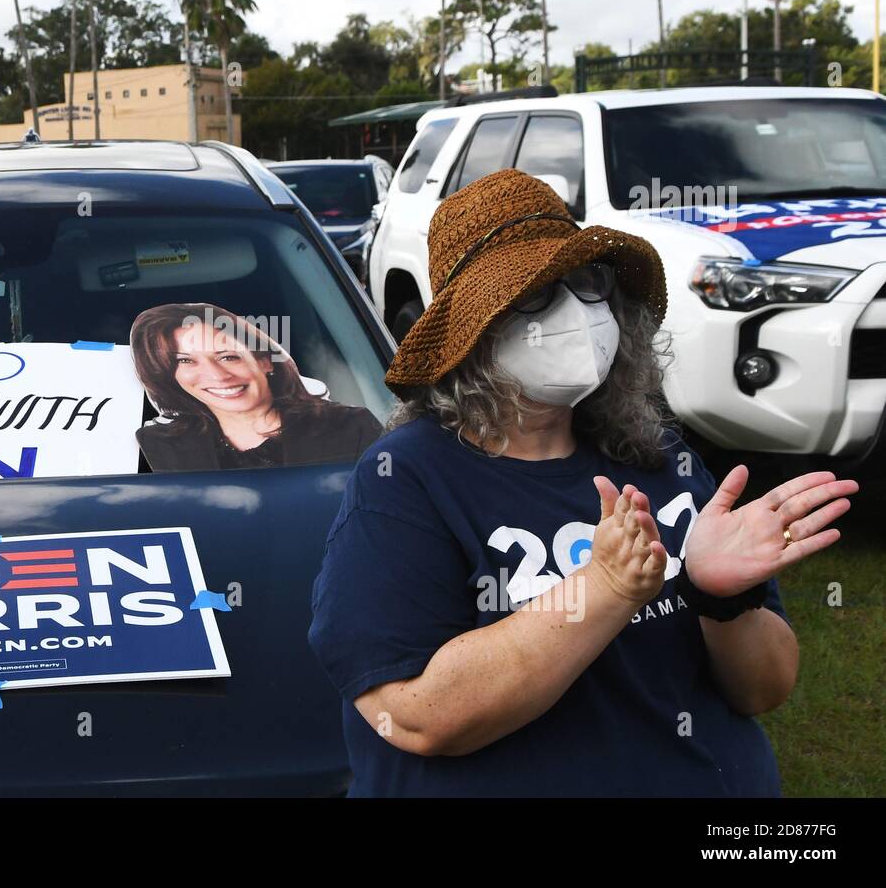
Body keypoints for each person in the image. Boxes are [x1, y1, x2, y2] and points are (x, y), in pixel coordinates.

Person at [308, 168, 857, 797]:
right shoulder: (405, 479)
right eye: (537, 293)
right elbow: (412, 716)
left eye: (588, 282)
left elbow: (764, 689)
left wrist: (722, 601)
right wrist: (604, 590)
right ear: (473, 333)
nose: (577, 310)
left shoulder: (658, 456)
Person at [130, 302, 381, 471]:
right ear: (170, 376)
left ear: (264, 360)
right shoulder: (155, 447)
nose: (217, 375)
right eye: (185, 361)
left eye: (228, 356)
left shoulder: (351, 428)